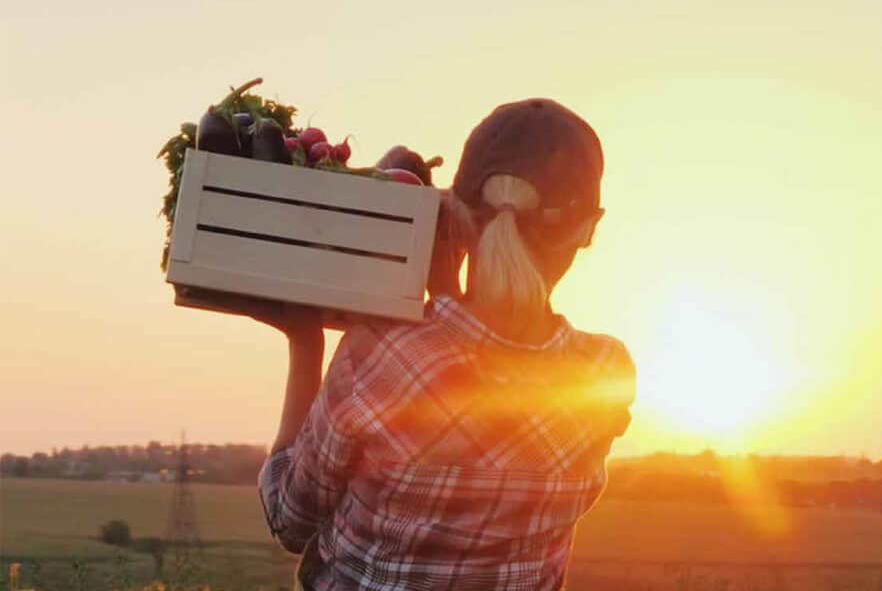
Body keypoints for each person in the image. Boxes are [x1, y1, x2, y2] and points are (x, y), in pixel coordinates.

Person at [257, 98, 636, 591]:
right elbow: (488, 391)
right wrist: (445, 293)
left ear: (455, 209)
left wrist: (304, 341)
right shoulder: (606, 375)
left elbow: (290, 517)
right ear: (588, 229)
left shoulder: (381, 351)